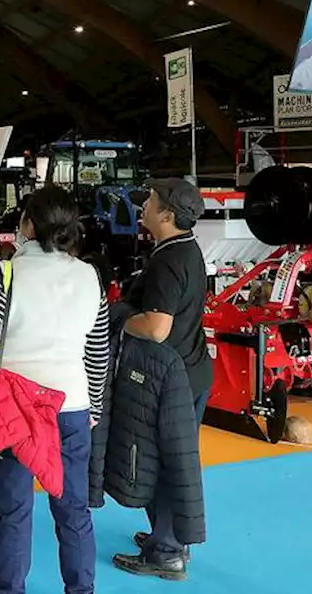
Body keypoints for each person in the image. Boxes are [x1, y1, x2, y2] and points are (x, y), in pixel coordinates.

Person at [0, 186, 110, 594]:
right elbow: (98, 352)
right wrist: (93, 406)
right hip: (72, 405)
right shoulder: (89, 275)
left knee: (13, 512)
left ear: (28, 224)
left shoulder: (7, 274)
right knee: (73, 510)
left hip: (15, 408)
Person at [112, 177, 210, 580]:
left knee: (164, 462)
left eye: (150, 202)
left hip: (172, 379)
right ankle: (168, 535)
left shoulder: (168, 261)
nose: (143, 207)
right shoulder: (183, 250)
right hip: (191, 371)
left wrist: (118, 320)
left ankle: (167, 551)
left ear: (167, 215)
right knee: (173, 460)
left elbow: (156, 328)